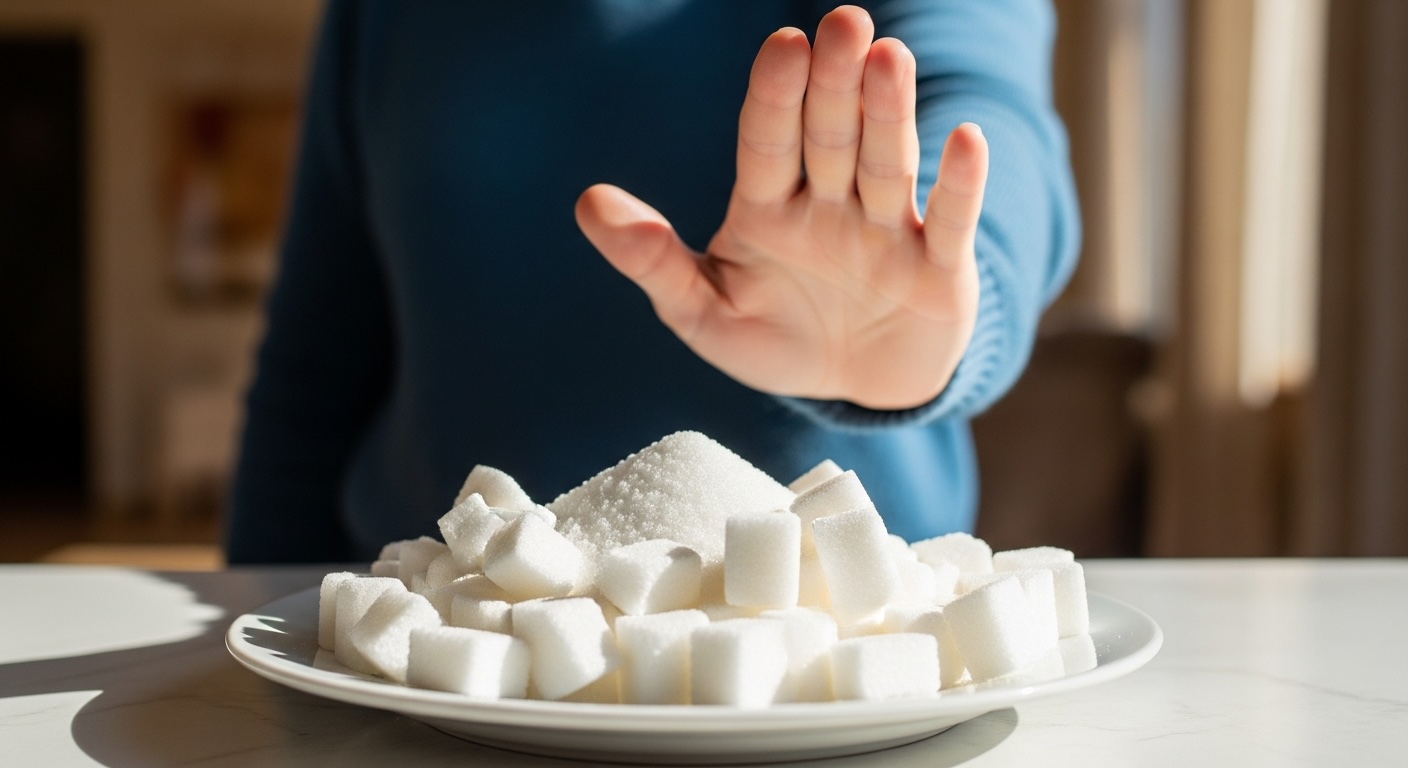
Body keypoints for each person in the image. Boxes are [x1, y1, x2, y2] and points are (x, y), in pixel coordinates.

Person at [226, 1, 1080, 563]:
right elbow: (313, 379)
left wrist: (947, 299)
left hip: (827, 690)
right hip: (432, 670)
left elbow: (987, 108)